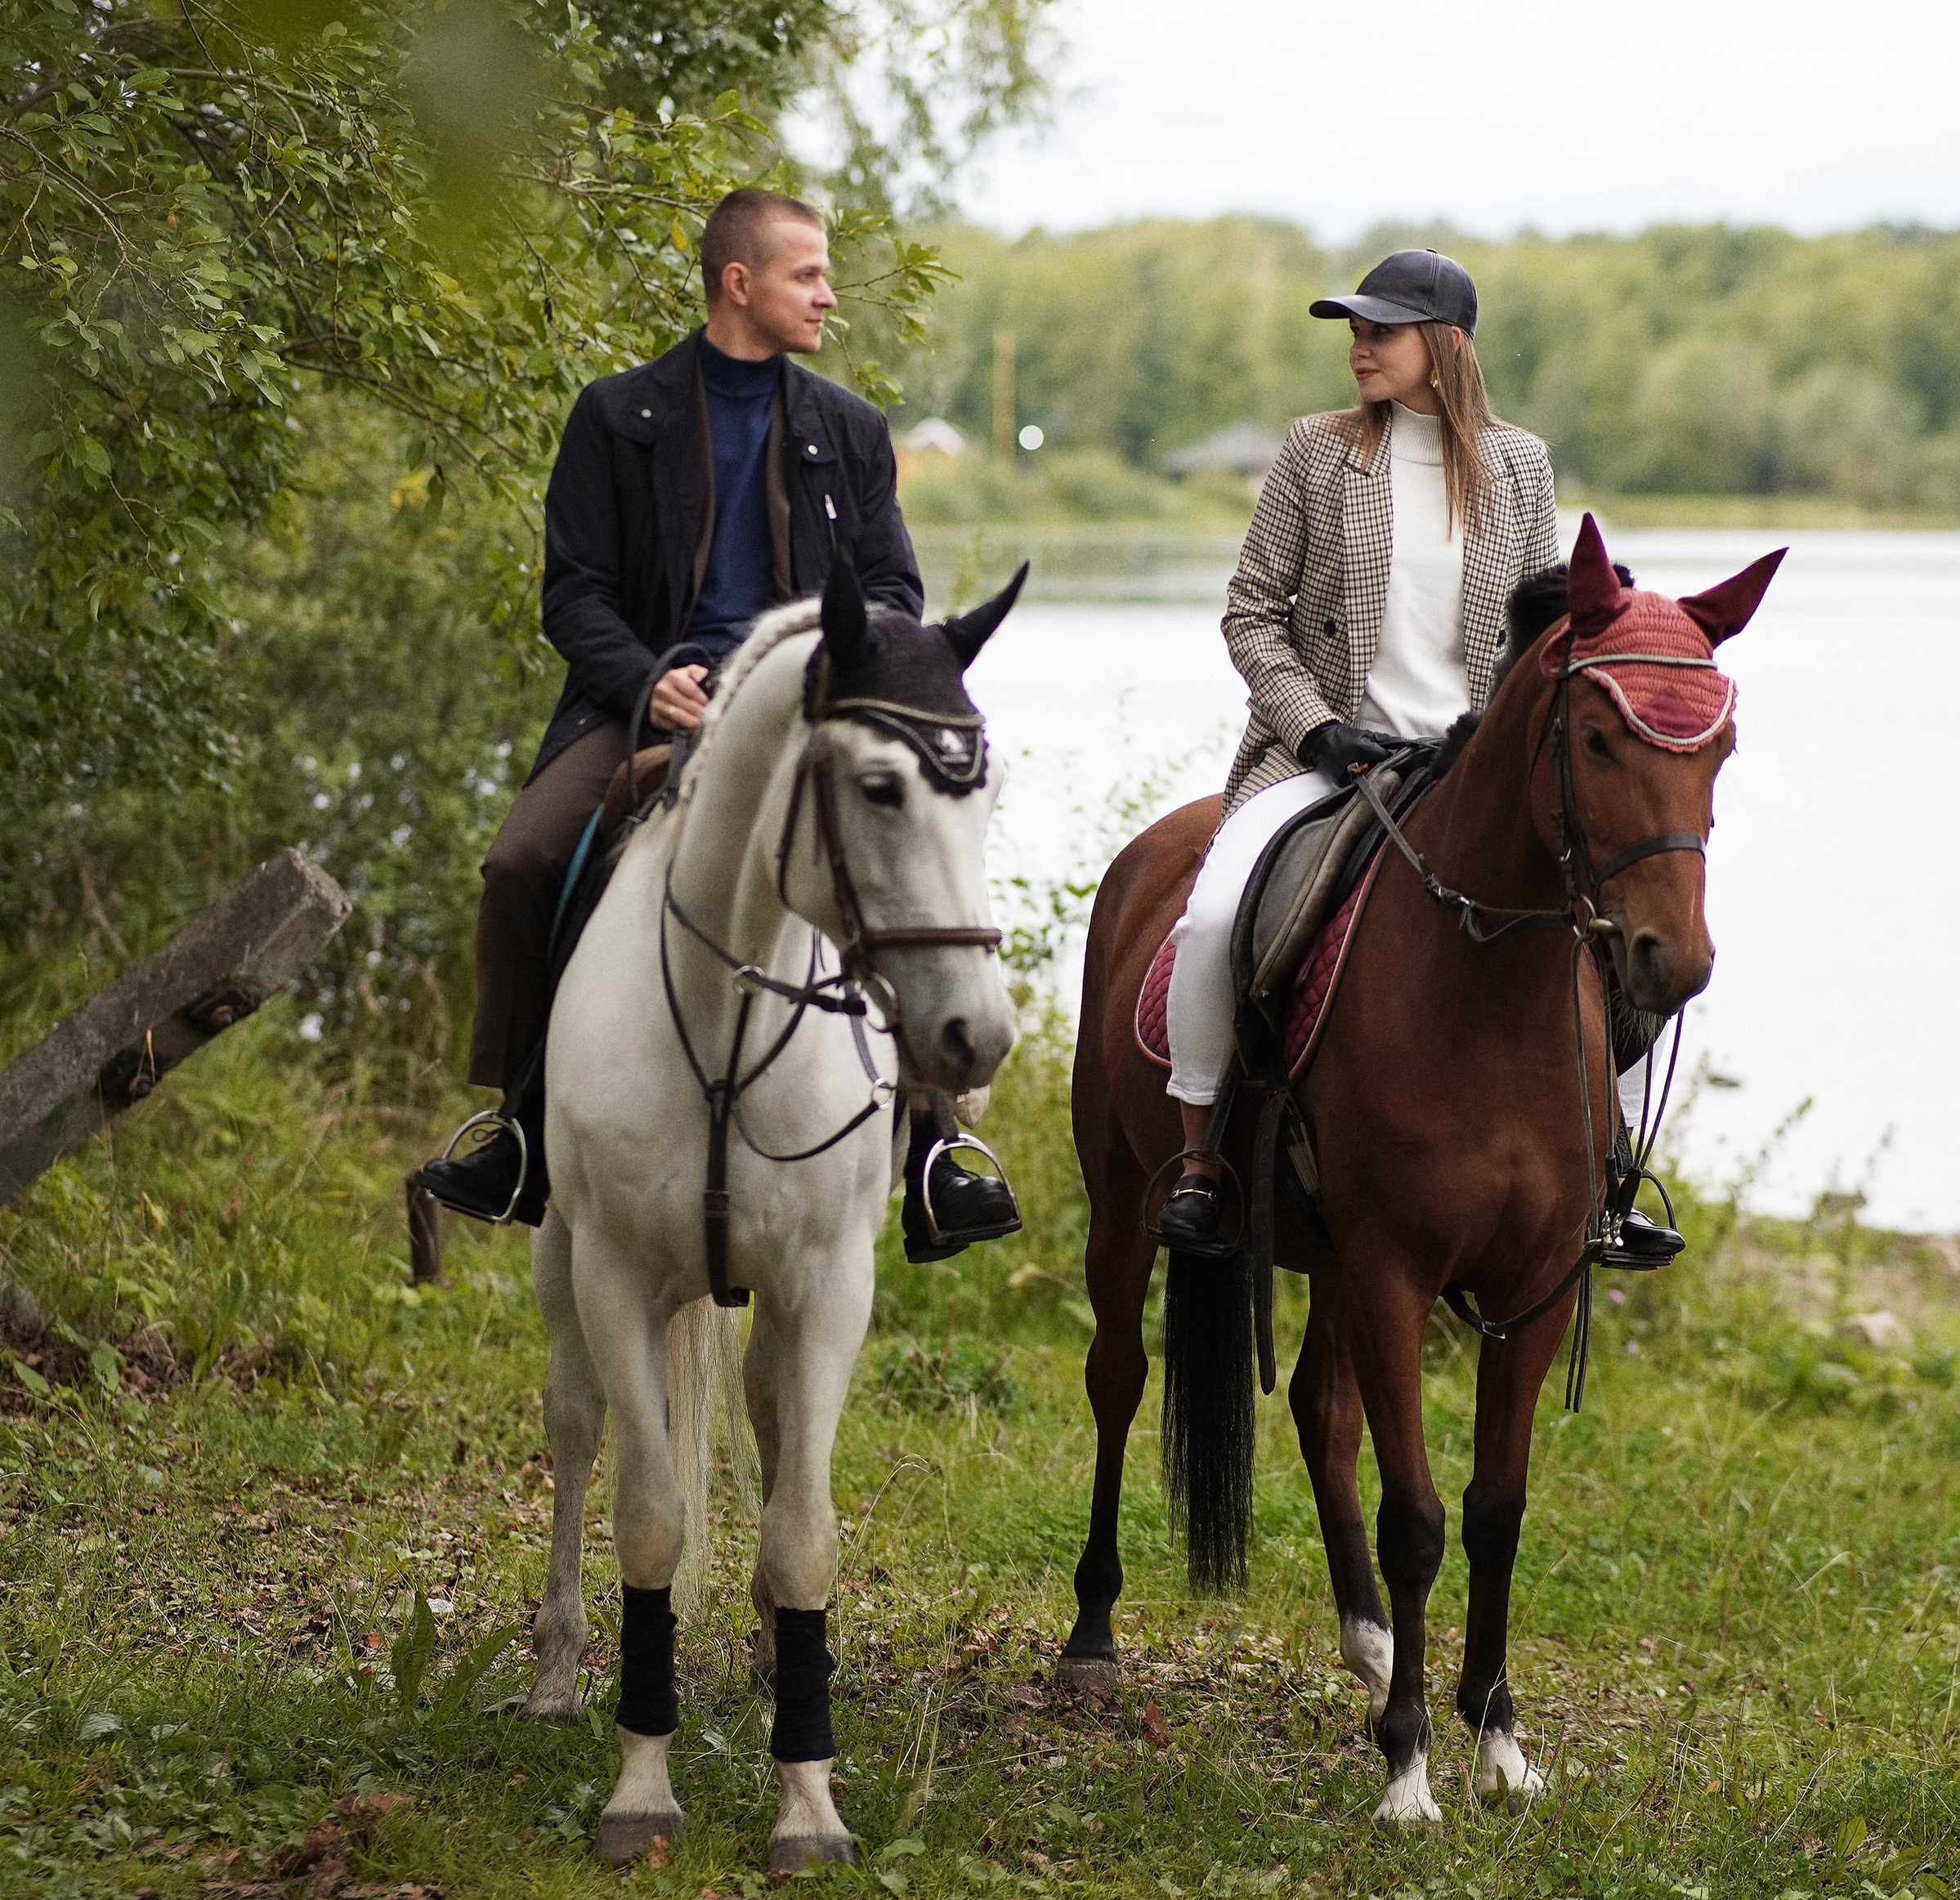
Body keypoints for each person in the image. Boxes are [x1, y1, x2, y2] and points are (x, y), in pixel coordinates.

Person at [418, 183, 1021, 1261]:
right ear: (738, 284)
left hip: (806, 715)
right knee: (520, 862)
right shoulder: (615, 417)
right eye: (809, 275)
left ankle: (932, 1147)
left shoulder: (851, 428)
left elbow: (893, 588)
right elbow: (574, 592)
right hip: (646, 703)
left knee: (900, 861)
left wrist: (831, 667)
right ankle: (517, 1132)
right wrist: (649, 679)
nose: (830, 296)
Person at [1157, 246, 1560, 1252]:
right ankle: (1201, 1160)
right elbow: (1251, 614)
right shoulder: (1313, 451)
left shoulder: (1521, 465)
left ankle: (1608, 1170)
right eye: (1354, 328)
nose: (1359, 345)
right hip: (1322, 764)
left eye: (1381, 329)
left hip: (1466, 776)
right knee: (1210, 920)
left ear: (1448, 344)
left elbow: (1544, 631)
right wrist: (1318, 729)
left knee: (1605, 936)